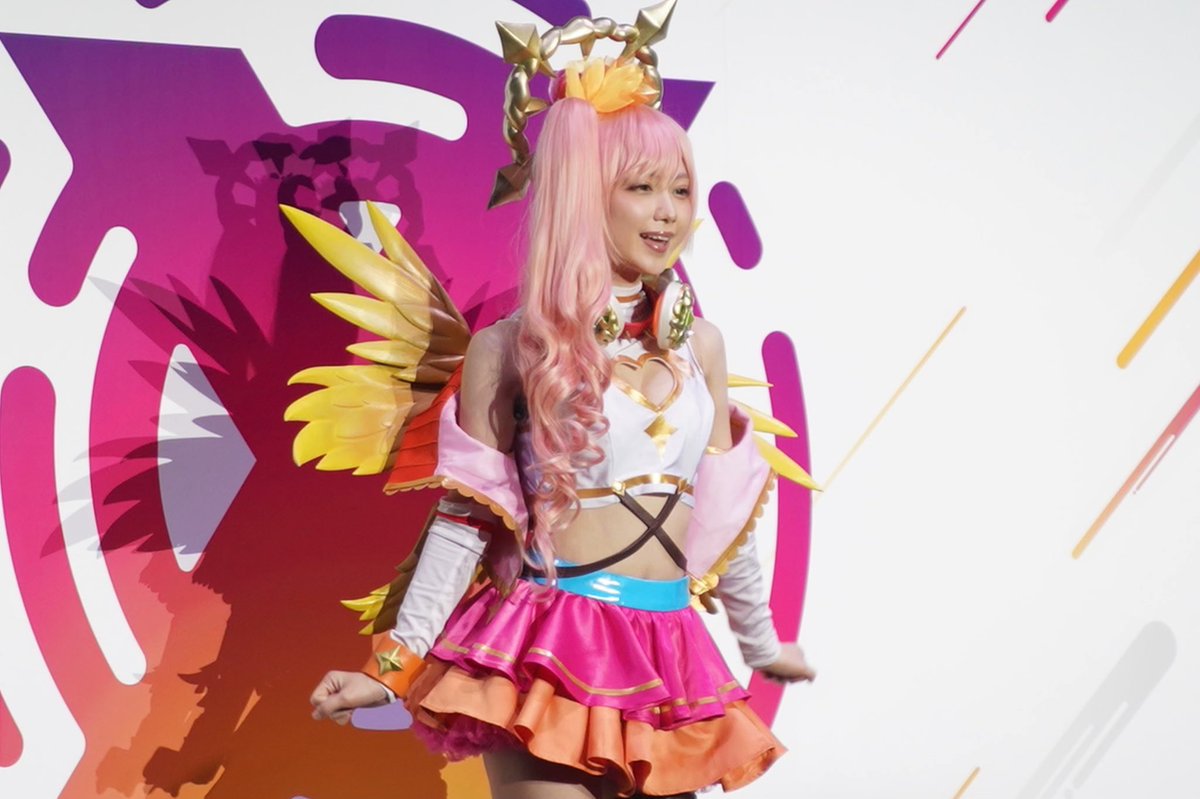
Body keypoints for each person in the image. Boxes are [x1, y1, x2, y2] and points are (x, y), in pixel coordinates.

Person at [302, 7, 815, 798]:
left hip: (668, 653)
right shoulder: (508, 347)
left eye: (681, 189)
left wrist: (759, 638)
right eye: (641, 188)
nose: (669, 210)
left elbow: (724, 508)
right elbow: (467, 516)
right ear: (585, 196)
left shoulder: (702, 346)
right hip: (546, 641)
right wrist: (392, 664)